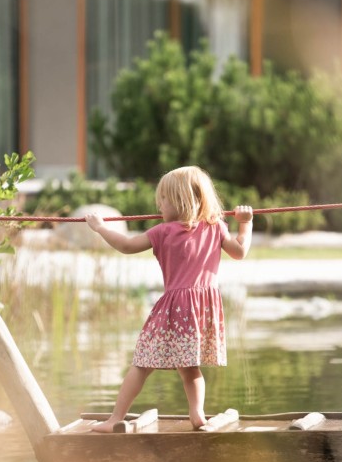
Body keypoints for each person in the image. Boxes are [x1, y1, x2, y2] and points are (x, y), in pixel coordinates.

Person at [85, 166, 253, 432]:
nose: (159, 204)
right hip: (201, 310)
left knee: (141, 364)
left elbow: (127, 246)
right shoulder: (215, 227)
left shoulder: (163, 232)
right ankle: (197, 415)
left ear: (183, 200)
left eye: (163, 199)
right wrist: (246, 223)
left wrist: (100, 228)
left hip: (174, 309)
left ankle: (114, 419)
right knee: (190, 369)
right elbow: (240, 251)